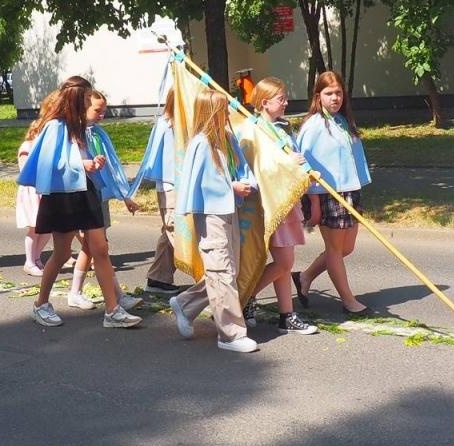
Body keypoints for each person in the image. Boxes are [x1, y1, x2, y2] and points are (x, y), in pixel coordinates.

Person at [18, 75, 141, 329]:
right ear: (75, 99)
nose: (88, 102)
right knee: (62, 253)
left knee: (100, 249)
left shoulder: (80, 127)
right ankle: (41, 304)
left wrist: (92, 164)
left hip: (87, 193)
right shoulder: (54, 126)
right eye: (86, 98)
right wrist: (81, 164)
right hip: (63, 197)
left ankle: (113, 310)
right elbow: (49, 164)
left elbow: (78, 157)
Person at [169, 86, 258, 353]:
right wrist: (232, 187)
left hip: (230, 210)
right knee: (221, 271)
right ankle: (230, 334)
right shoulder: (200, 143)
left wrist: (246, 183)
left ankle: (186, 303)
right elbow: (201, 183)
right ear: (211, 112)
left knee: (227, 270)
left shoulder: (226, 138)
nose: (228, 112)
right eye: (223, 108)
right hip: (210, 215)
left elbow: (240, 168)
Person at [236, 78, 317, 335]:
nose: (286, 102)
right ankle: (245, 298)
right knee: (283, 262)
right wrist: (289, 162)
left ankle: (286, 315)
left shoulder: (280, 129)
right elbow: (257, 169)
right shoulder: (252, 131)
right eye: (280, 98)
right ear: (264, 103)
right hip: (267, 204)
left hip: (286, 202)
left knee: (285, 262)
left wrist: (301, 169)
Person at [294, 71, 373, 316]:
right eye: (329, 93)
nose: (335, 98)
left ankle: (304, 277)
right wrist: (314, 203)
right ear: (318, 96)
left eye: (338, 93)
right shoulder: (314, 126)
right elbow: (305, 166)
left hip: (350, 191)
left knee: (346, 248)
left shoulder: (343, 121)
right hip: (328, 194)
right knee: (335, 249)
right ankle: (349, 300)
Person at [65, 90, 142, 311]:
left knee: (93, 248)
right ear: (83, 109)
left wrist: (125, 195)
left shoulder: (98, 135)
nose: (102, 115)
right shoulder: (73, 135)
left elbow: (113, 167)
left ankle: (78, 293)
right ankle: (115, 296)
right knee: (99, 248)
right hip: (81, 197)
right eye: (97, 110)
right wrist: (85, 164)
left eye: (104, 111)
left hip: (97, 196)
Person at [131, 88, 184, 296]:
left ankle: (158, 278)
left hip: (180, 185)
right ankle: (205, 282)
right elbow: (154, 160)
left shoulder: (183, 124)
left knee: (171, 231)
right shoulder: (166, 125)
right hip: (171, 186)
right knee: (175, 231)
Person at [15, 93, 58, 275]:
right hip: (32, 191)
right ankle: (29, 261)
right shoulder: (27, 148)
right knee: (35, 227)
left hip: (45, 190)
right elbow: (26, 171)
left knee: (47, 228)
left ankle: (38, 257)